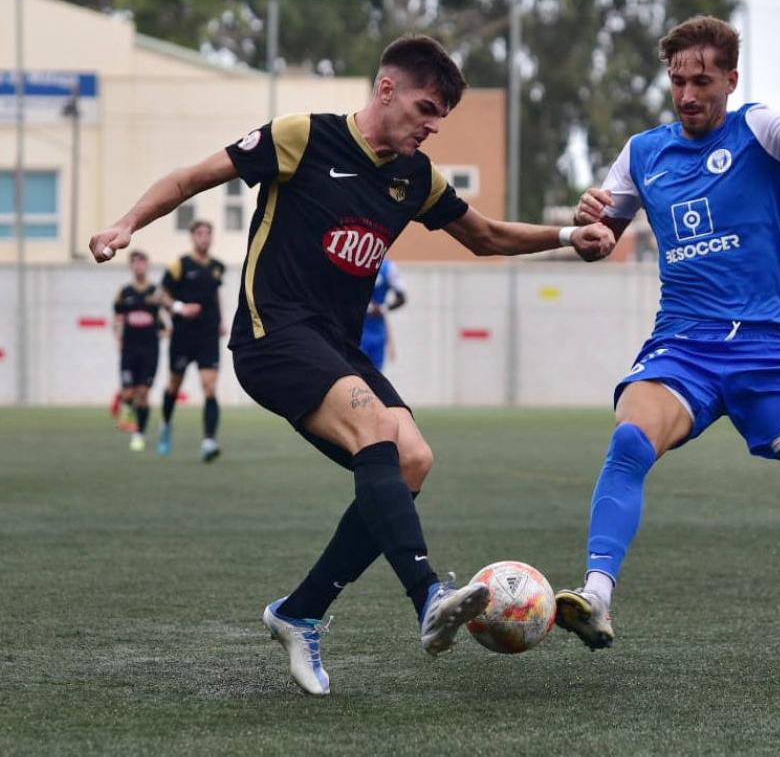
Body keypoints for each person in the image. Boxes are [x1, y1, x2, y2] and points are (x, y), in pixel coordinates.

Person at [87, 34, 616, 696]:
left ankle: (299, 612)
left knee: (413, 459)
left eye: (440, 118)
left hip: (338, 346)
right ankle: (427, 598)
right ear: (386, 88)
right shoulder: (303, 137)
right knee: (375, 430)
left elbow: (483, 236)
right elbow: (192, 178)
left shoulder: (416, 178)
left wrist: (568, 237)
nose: (430, 126)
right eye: (424, 107)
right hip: (269, 333)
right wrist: (125, 224)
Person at [552, 16, 780, 665]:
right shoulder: (643, 152)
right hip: (683, 346)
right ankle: (596, 594)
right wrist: (588, 226)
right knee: (630, 440)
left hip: (769, 351)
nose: (687, 94)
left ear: (731, 80)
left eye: (702, 81)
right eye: (678, 81)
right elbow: (603, 240)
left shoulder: (761, 131)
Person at [158, 220, 226, 461]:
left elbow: (215, 295)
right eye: (200, 233)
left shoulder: (218, 267)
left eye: (208, 233)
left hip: (208, 335)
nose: (205, 237)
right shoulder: (180, 265)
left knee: (210, 387)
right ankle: (166, 424)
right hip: (183, 335)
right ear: (192, 237)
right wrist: (180, 307)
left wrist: (221, 321)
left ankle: (209, 441)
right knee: (174, 386)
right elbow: (161, 296)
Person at [112, 250, 166, 451]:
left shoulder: (156, 292)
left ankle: (139, 434)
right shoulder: (124, 292)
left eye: (142, 263)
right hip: (129, 349)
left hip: (150, 350)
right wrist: (118, 338)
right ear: (131, 267)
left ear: (148, 266)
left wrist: (165, 330)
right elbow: (117, 319)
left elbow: (162, 319)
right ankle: (126, 407)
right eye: (135, 263)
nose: (139, 267)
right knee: (128, 393)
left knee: (143, 393)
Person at [360, 258, 407, 370]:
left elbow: (401, 297)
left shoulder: (388, 267)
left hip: (378, 330)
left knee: (375, 372)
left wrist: (382, 308)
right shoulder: (356, 263)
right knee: (356, 370)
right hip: (358, 328)